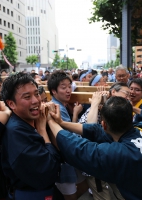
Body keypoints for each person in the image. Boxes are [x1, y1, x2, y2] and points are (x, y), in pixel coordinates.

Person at [0, 73, 60, 199]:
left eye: (36, 94)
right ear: (11, 104)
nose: (36, 101)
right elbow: (49, 170)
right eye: (27, 97)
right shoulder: (17, 132)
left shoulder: (28, 122)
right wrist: (43, 130)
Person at [47, 71, 88, 200]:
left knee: (84, 185)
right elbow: (68, 136)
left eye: (69, 86)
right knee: (70, 196)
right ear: (54, 91)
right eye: (63, 87)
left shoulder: (62, 106)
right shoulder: (56, 107)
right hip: (63, 161)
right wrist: (75, 114)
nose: (68, 90)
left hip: (67, 158)